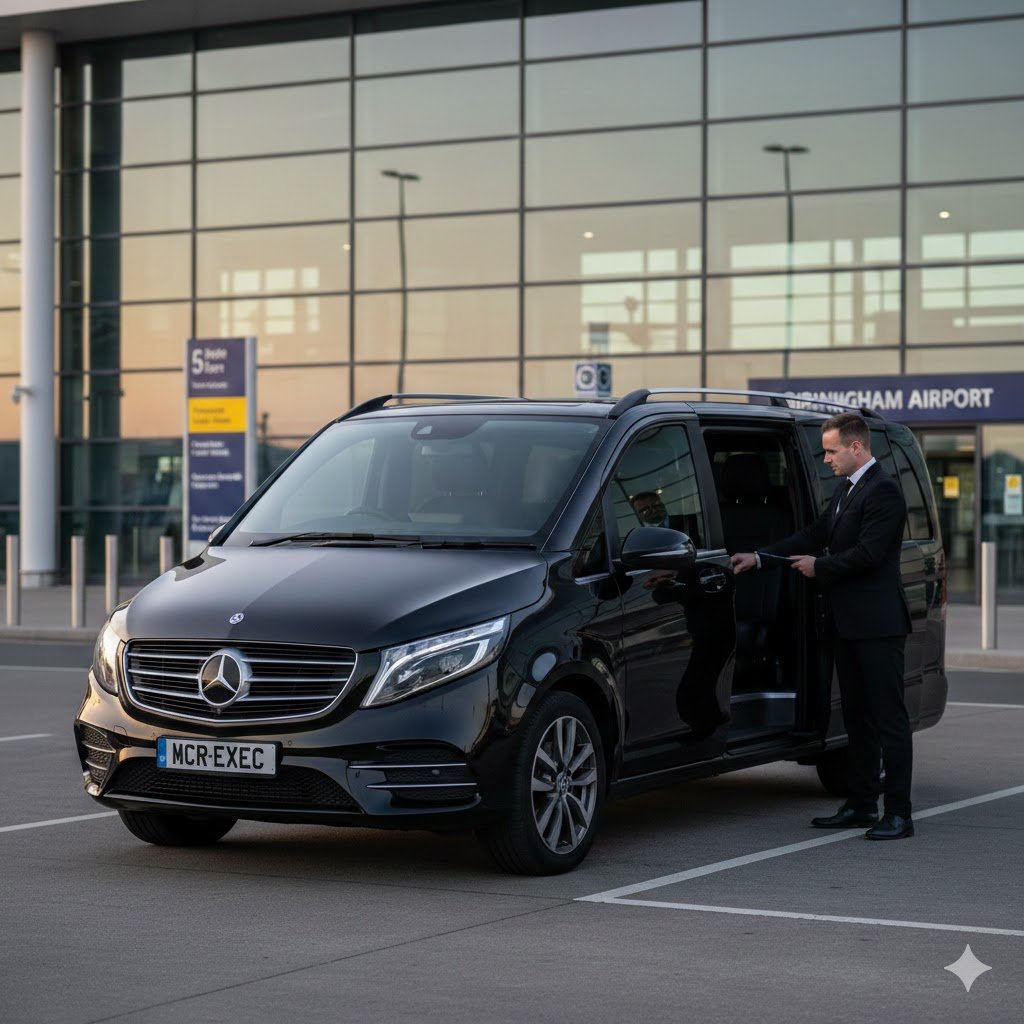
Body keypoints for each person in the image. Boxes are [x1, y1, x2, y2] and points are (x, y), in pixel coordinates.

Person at [730, 412, 914, 840]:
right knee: (857, 719)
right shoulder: (846, 490)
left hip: (878, 625)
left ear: (856, 447)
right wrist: (760, 558)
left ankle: (899, 813)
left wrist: (821, 567)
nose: (826, 458)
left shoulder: (884, 491)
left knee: (889, 719)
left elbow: (869, 555)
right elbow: (815, 533)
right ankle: (863, 804)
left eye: (831, 451)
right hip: (847, 625)